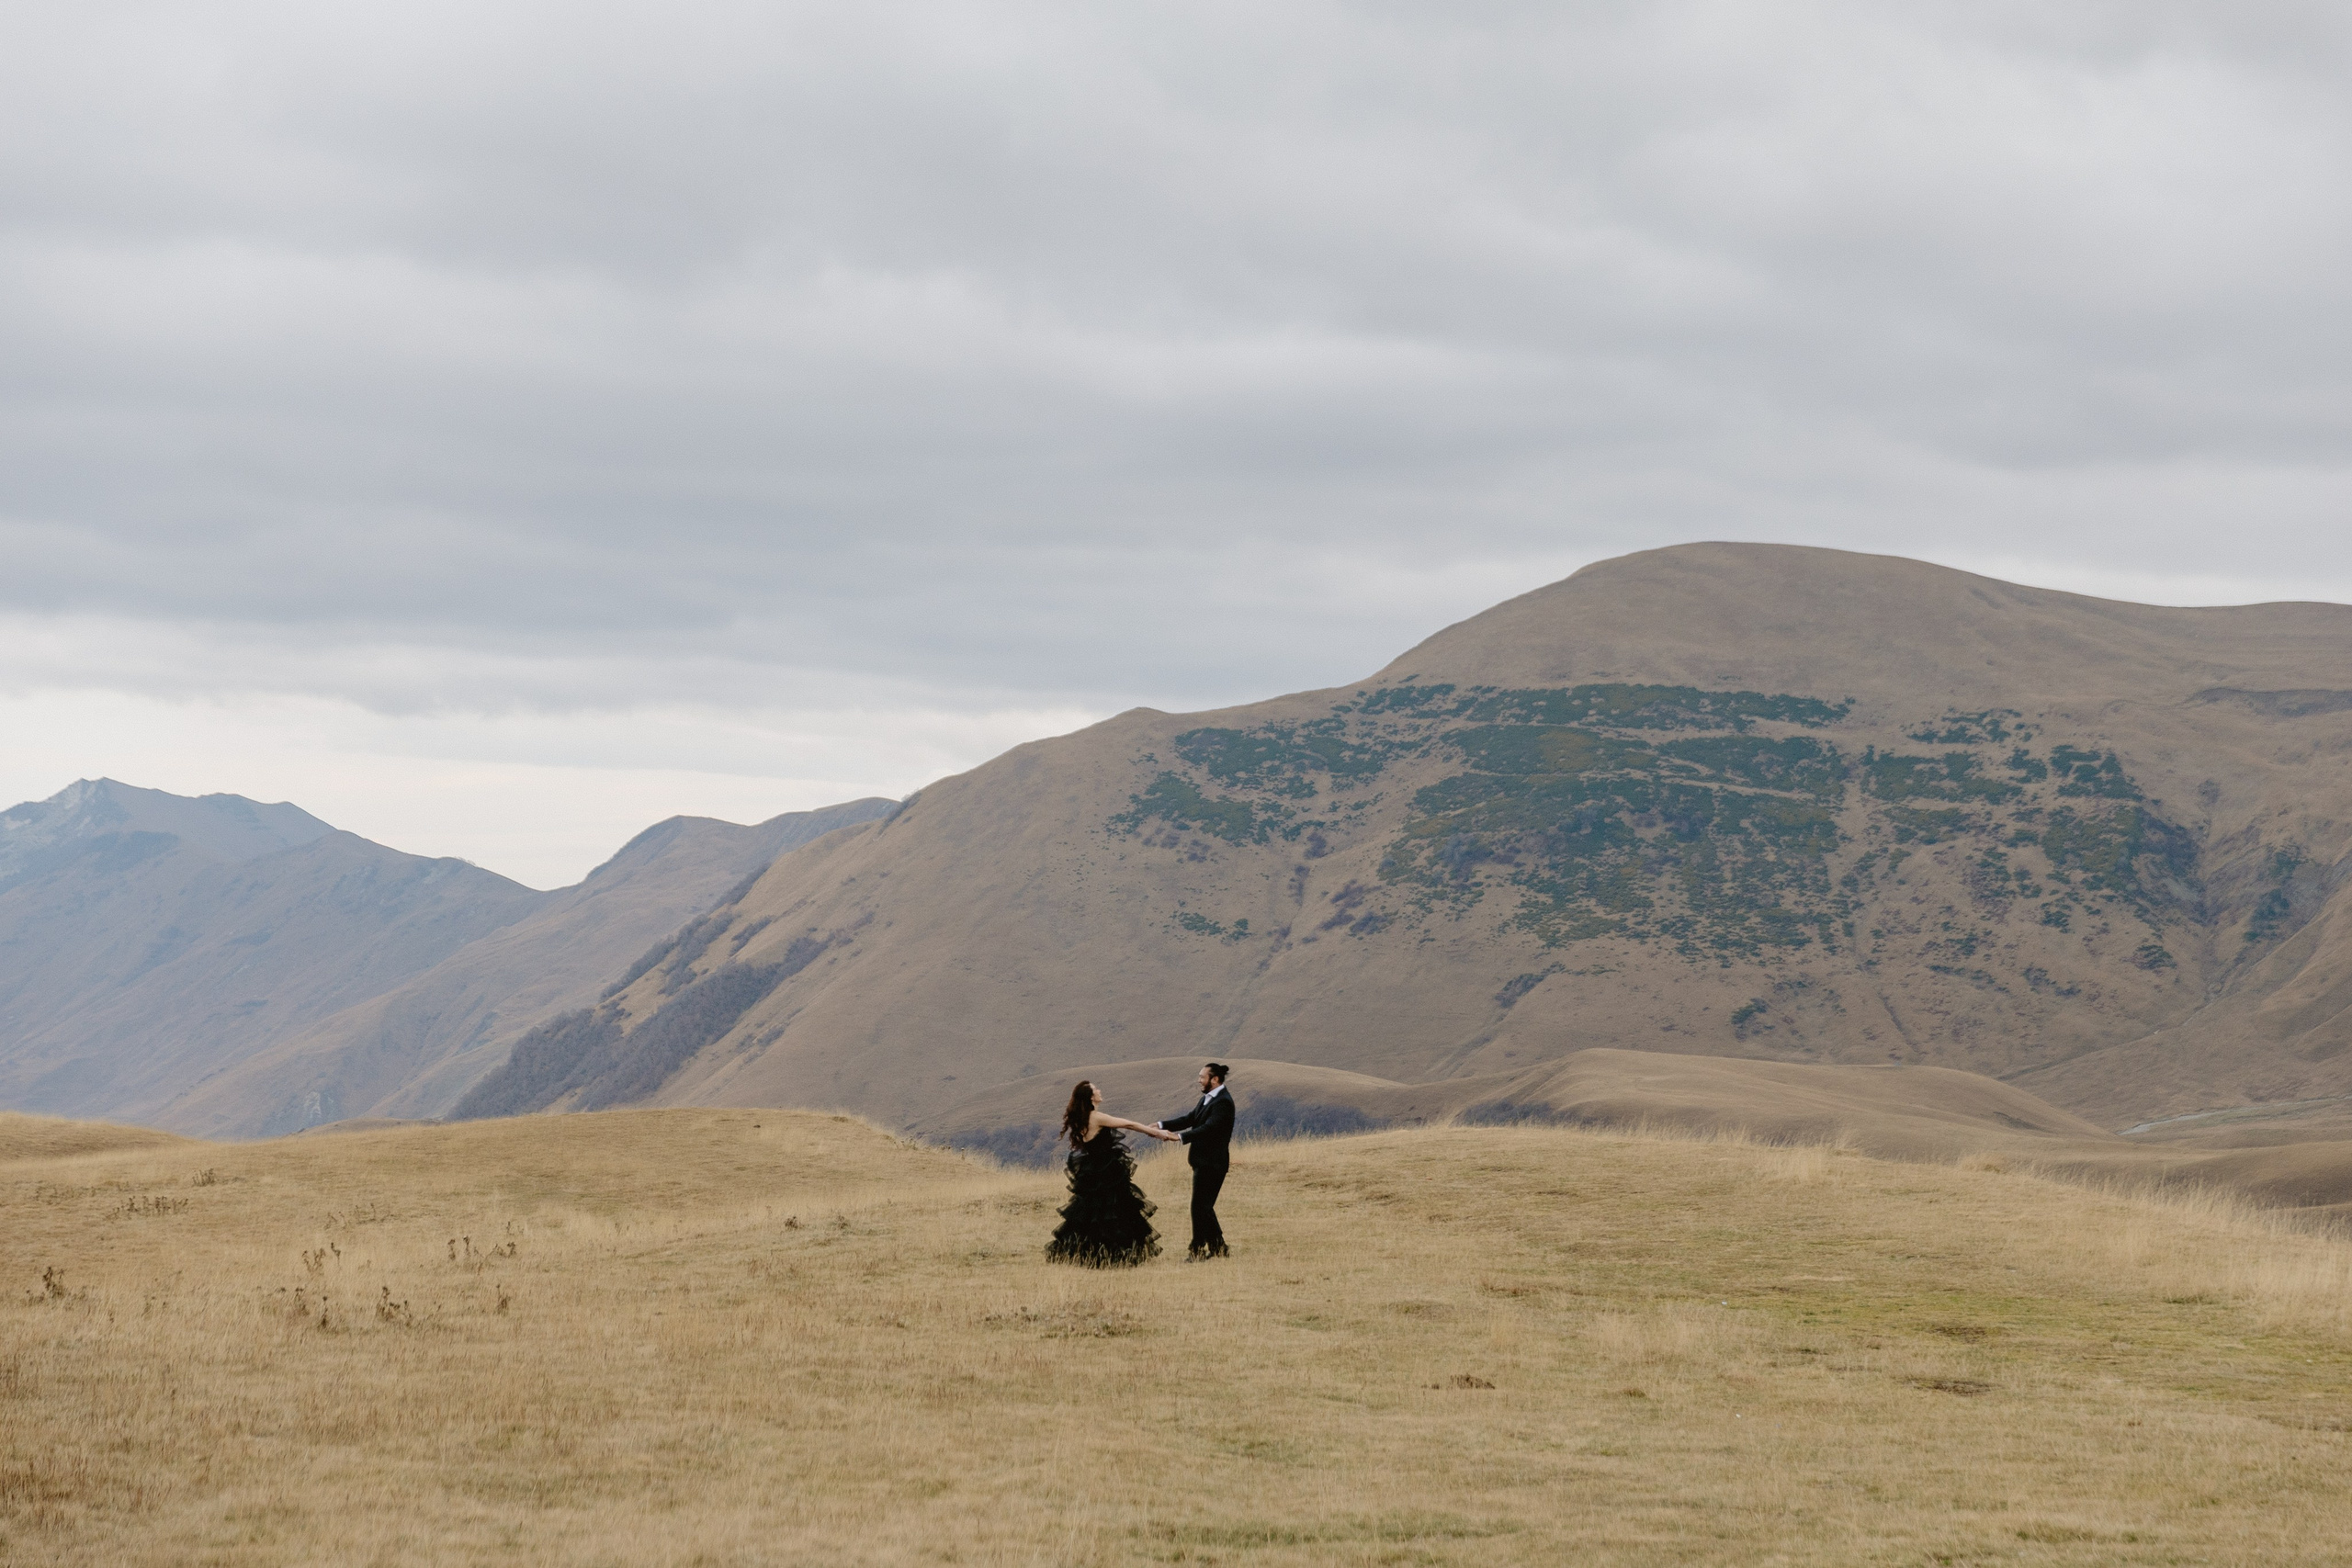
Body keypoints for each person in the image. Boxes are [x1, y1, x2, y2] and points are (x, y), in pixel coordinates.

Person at [1046, 1079, 1176, 1267]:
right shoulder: (1095, 1117)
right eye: (1095, 1089)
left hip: (1094, 1170)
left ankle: (1096, 1254)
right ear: (1091, 1097)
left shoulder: (1084, 1117)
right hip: (1105, 1172)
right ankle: (1112, 1254)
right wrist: (1157, 1133)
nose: (1099, 1090)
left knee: (1094, 1213)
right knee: (1113, 1212)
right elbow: (1128, 1124)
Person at [1155, 1062, 1236, 1260]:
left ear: (1214, 1079)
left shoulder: (1223, 1103)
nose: (1199, 1080)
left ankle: (1197, 1250)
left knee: (1200, 1208)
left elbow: (1209, 1128)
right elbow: (1190, 1119)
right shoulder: (1208, 1099)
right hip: (1203, 1162)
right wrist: (1160, 1125)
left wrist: (1179, 1137)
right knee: (1203, 1207)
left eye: (1202, 1077)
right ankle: (1219, 1248)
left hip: (1213, 1163)